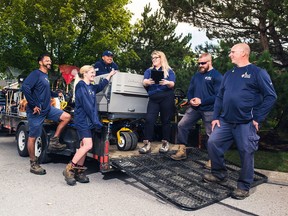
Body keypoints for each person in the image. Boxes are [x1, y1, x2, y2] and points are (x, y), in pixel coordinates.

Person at [203, 43, 277, 200]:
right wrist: (216, 116)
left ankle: (243, 186)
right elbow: (220, 96)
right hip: (226, 121)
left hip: (246, 122)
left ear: (244, 53)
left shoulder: (257, 73)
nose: (230, 54)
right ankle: (219, 174)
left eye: (232, 52)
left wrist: (258, 118)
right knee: (213, 142)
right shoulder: (229, 74)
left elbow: (271, 96)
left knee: (246, 151)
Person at [63, 65, 116, 186]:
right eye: (91, 73)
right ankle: (69, 169)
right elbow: (87, 106)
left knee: (83, 146)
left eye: (94, 73)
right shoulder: (81, 86)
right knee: (88, 145)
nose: (94, 75)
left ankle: (79, 171)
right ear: (85, 73)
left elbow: (101, 86)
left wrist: (109, 75)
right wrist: (97, 122)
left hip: (88, 121)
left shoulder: (90, 87)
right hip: (83, 121)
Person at [22, 53, 71, 175]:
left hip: (47, 109)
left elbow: (46, 92)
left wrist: (56, 94)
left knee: (67, 117)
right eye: (47, 60)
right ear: (40, 62)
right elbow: (25, 87)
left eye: (50, 60)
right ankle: (33, 163)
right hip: (36, 112)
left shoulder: (45, 76)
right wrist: (33, 105)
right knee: (33, 137)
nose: (49, 62)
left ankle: (54, 141)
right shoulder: (36, 74)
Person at [170, 53, 223, 167]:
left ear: (210, 62)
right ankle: (182, 150)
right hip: (194, 108)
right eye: (199, 63)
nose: (200, 65)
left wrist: (202, 101)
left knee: (211, 134)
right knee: (181, 125)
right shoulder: (196, 76)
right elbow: (190, 90)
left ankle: (213, 160)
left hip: (209, 109)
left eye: (203, 63)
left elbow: (219, 95)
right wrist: (191, 99)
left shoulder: (217, 76)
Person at [139, 50, 176, 154]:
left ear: (161, 58)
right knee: (149, 119)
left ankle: (165, 143)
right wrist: (145, 82)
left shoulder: (169, 70)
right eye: (153, 58)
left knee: (166, 120)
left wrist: (167, 82)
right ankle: (147, 144)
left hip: (166, 97)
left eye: (156, 58)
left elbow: (172, 83)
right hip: (154, 98)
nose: (154, 60)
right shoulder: (149, 71)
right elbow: (144, 81)